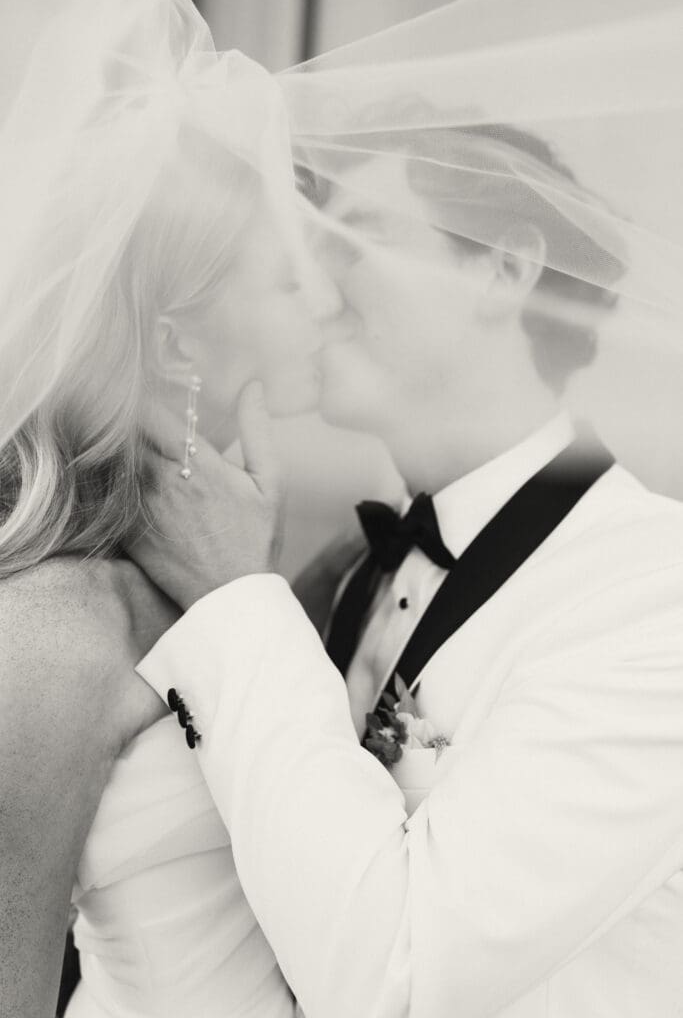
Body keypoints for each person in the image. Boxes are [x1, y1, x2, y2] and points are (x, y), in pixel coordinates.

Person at [129, 123, 683, 1017]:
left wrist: (234, 598)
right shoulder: (346, 576)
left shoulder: (654, 594)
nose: (312, 285)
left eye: (352, 238)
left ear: (502, 269)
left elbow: (399, 974)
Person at [0, 0, 332, 1016]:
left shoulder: (230, 563)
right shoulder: (49, 638)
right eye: (288, 279)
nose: (324, 302)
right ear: (181, 341)